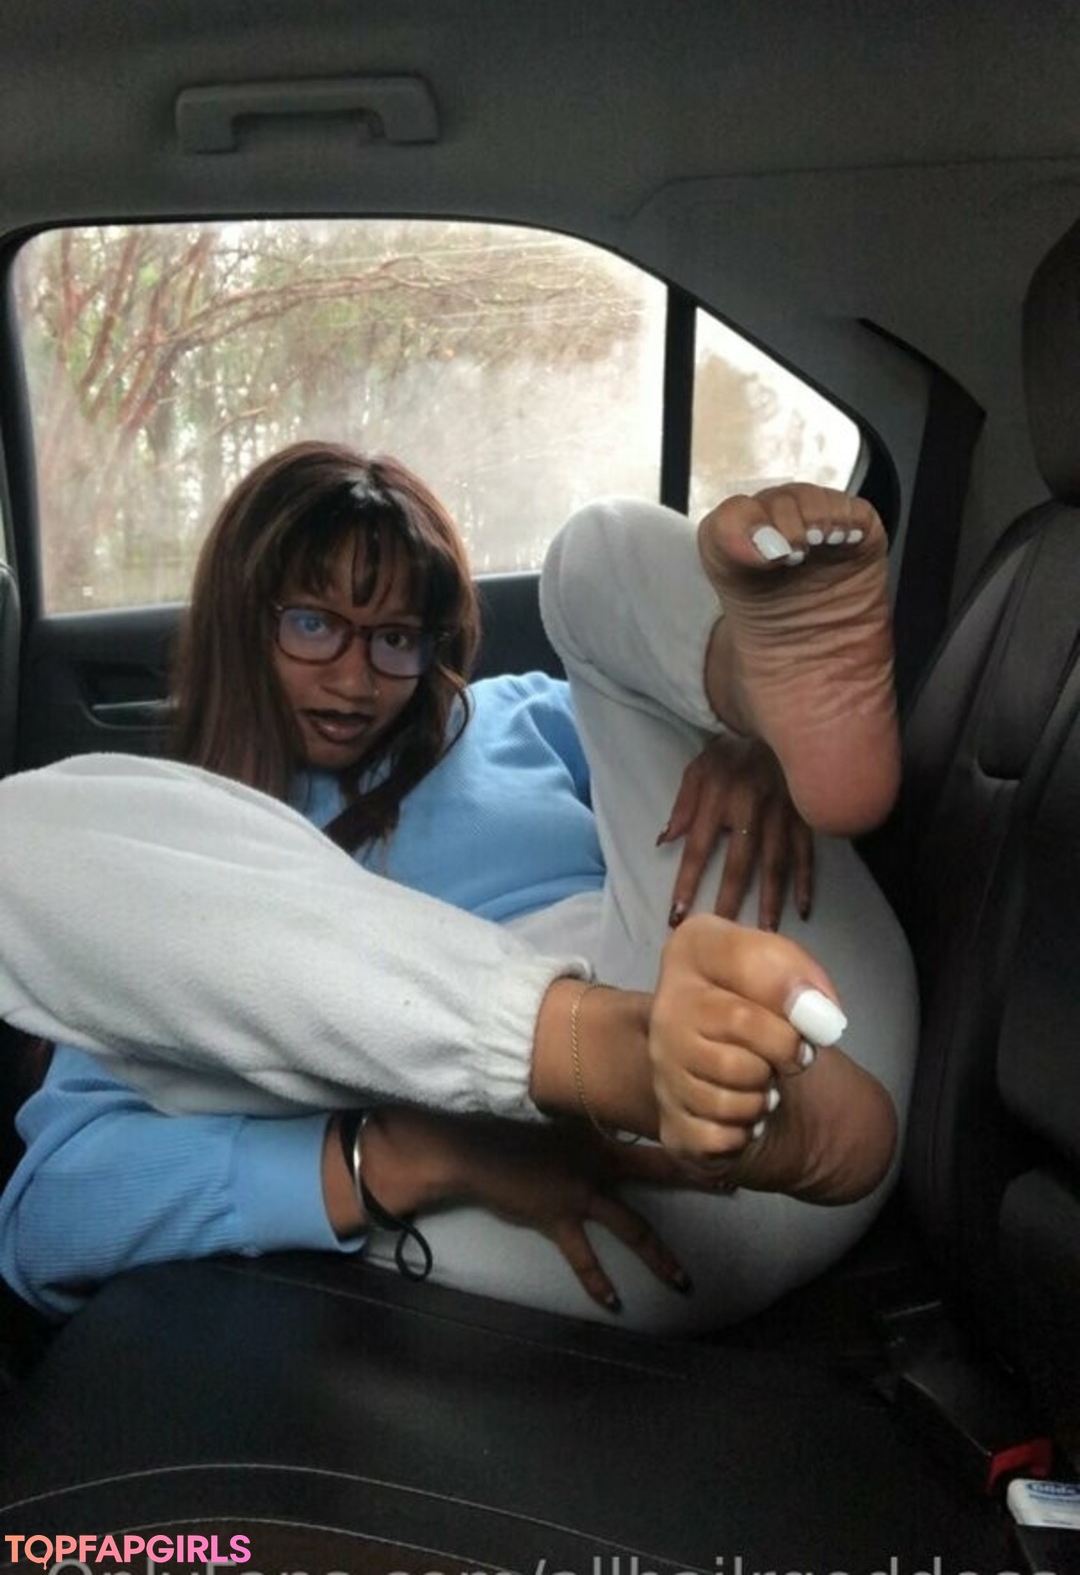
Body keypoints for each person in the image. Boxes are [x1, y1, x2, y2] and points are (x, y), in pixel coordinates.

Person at [0, 445, 917, 1330]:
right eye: (313, 625)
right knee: (22, 837)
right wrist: (413, 1155)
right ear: (240, 625)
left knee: (597, 550)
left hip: (808, 1045)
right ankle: (604, 1054)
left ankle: (748, 689)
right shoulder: (172, 865)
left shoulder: (518, 716)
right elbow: (45, 1224)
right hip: (571, 1202)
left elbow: (646, 744)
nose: (356, 678)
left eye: (395, 638)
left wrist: (747, 748)